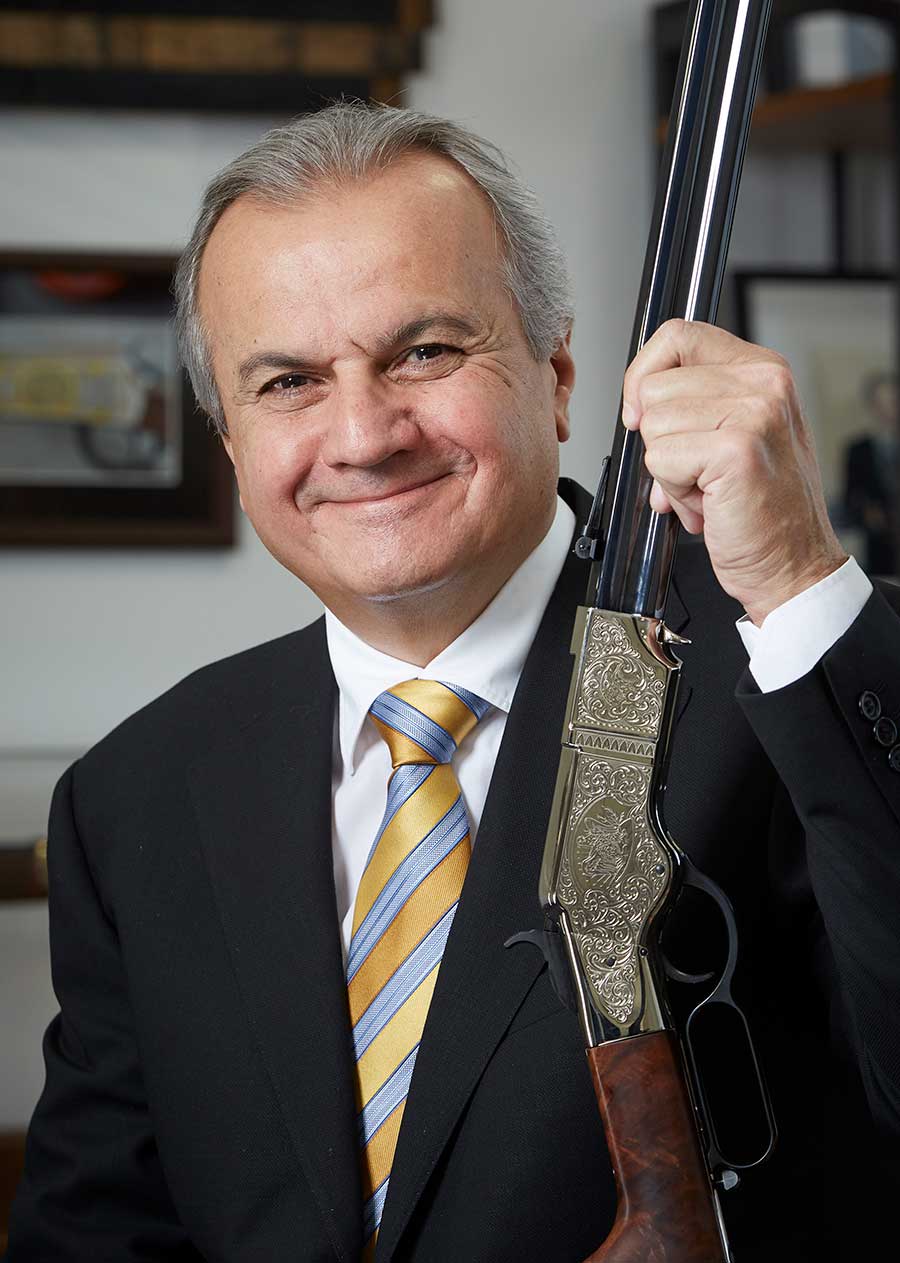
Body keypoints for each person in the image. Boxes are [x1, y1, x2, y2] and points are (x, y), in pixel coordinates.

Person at [7, 104, 900, 1263]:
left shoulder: (797, 672)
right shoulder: (135, 796)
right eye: (287, 381)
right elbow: (96, 1233)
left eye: (423, 352)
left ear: (557, 374)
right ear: (230, 442)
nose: (364, 434)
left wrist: (793, 576)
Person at [843, 371, 899, 576]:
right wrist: (867, 512)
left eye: (892, 403)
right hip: (879, 544)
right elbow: (850, 497)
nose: (888, 410)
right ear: (873, 406)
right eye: (881, 404)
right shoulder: (858, 450)